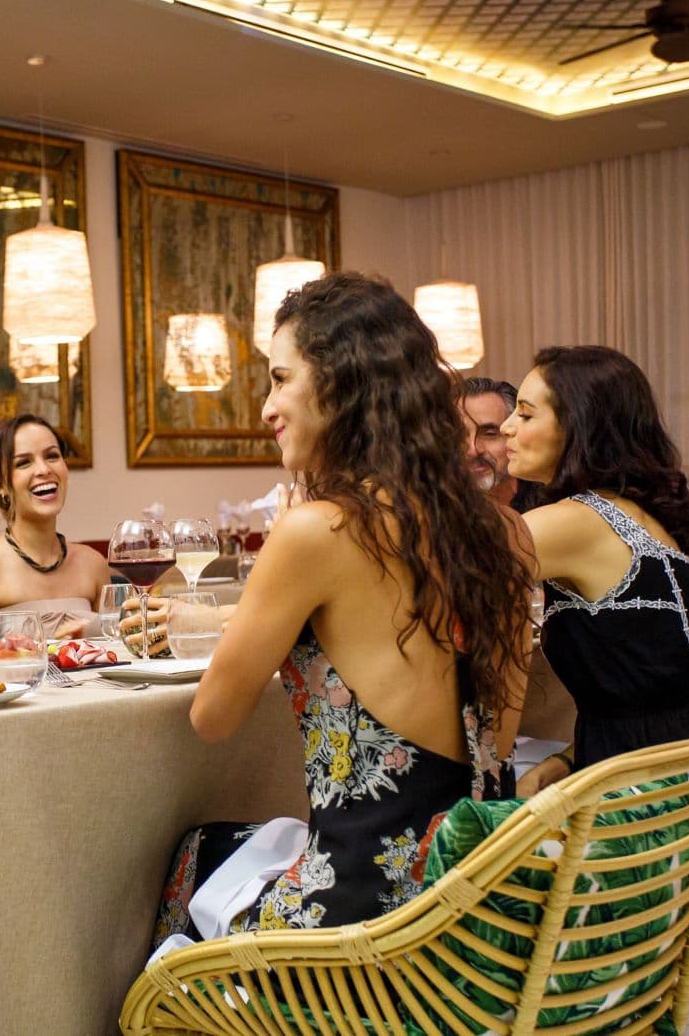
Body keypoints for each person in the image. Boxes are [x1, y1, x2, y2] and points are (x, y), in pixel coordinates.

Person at [150, 274, 533, 953]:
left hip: (370, 922)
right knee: (239, 846)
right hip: (484, 898)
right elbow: (496, 744)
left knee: (193, 855)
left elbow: (211, 718)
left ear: (340, 382)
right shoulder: (504, 533)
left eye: (279, 378)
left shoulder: (318, 530)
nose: (267, 407)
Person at [501, 344, 689, 799]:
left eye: (526, 414)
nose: (506, 427)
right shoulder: (650, 513)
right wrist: (569, 758)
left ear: (578, 426)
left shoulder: (575, 521)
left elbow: (444, 571)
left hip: (650, 795)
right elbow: (663, 690)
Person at [0, 413, 111, 639]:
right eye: (24, 462)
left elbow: (115, 657)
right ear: (1, 485)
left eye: (52, 456)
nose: (44, 470)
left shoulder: (94, 564)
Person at [461, 376, 520, 506]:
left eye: (489, 434)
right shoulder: (430, 514)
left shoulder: (548, 507)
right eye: (459, 436)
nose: (473, 450)